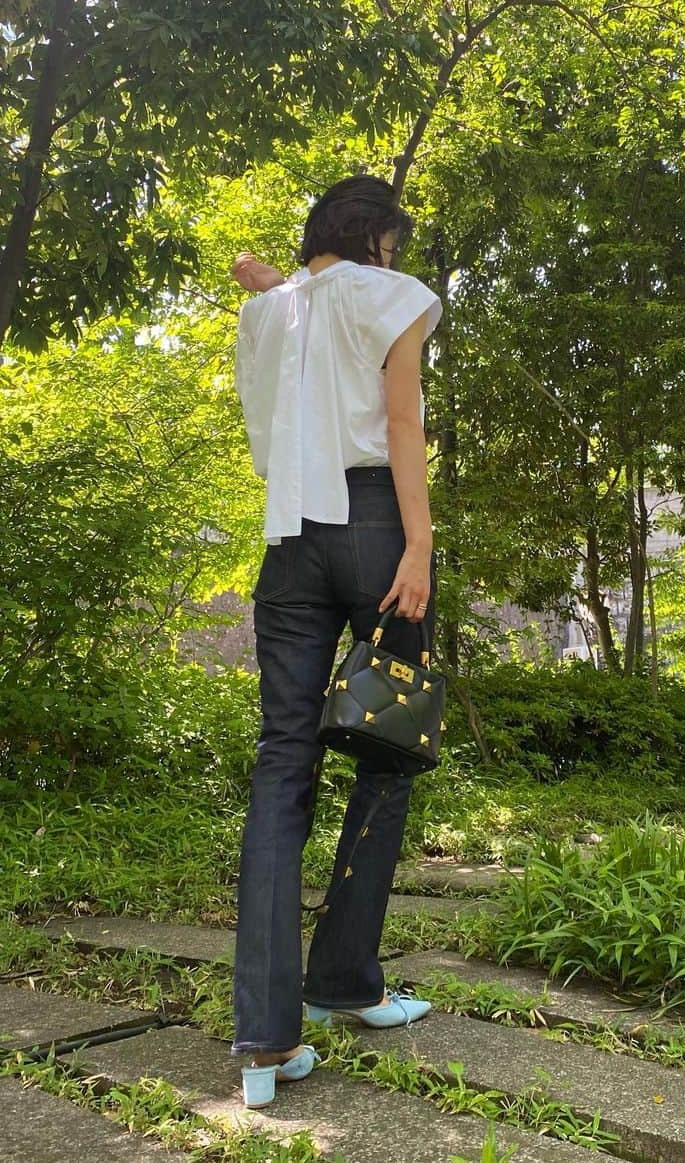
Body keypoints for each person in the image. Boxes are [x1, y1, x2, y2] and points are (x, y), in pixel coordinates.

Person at [227, 174, 442, 1109]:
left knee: (282, 767)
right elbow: (400, 423)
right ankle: (345, 979)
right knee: (387, 749)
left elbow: (293, 310)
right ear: (377, 236)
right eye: (391, 238)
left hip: (289, 544)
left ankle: (263, 1044)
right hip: (375, 533)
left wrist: (273, 280)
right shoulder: (391, 294)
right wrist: (422, 543)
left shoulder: (275, 311)